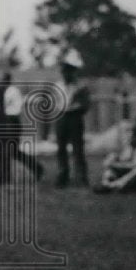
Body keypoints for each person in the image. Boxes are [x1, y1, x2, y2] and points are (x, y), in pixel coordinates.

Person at [0, 71, 44, 184]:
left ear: (8, 80)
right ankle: (4, 177)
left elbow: (15, 109)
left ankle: (36, 168)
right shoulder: (0, 91)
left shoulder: (13, 91)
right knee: (6, 151)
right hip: (3, 122)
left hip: (11, 122)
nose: (1, 82)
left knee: (10, 150)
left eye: (4, 79)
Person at [55, 50, 90, 188]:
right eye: (64, 71)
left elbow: (86, 105)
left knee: (77, 148)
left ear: (73, 72)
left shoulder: (80, 86)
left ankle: (81, 177)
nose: (65, 74)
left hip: (74, 117)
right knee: (61, 148)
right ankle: (63, 175)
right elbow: (56, 102)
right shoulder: (58, 85)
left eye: (68, 71)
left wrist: (76, 109)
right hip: (61, 117)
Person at [94, 122, 136, 193]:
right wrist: (114, 158)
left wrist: (115, 164)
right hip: (127, 174)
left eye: (132, 135)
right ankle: (105, 184)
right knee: (110, 168)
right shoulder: (130, 146)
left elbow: (135, 165)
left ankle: (115, 185)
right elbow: (123, 159)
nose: (130, 137)